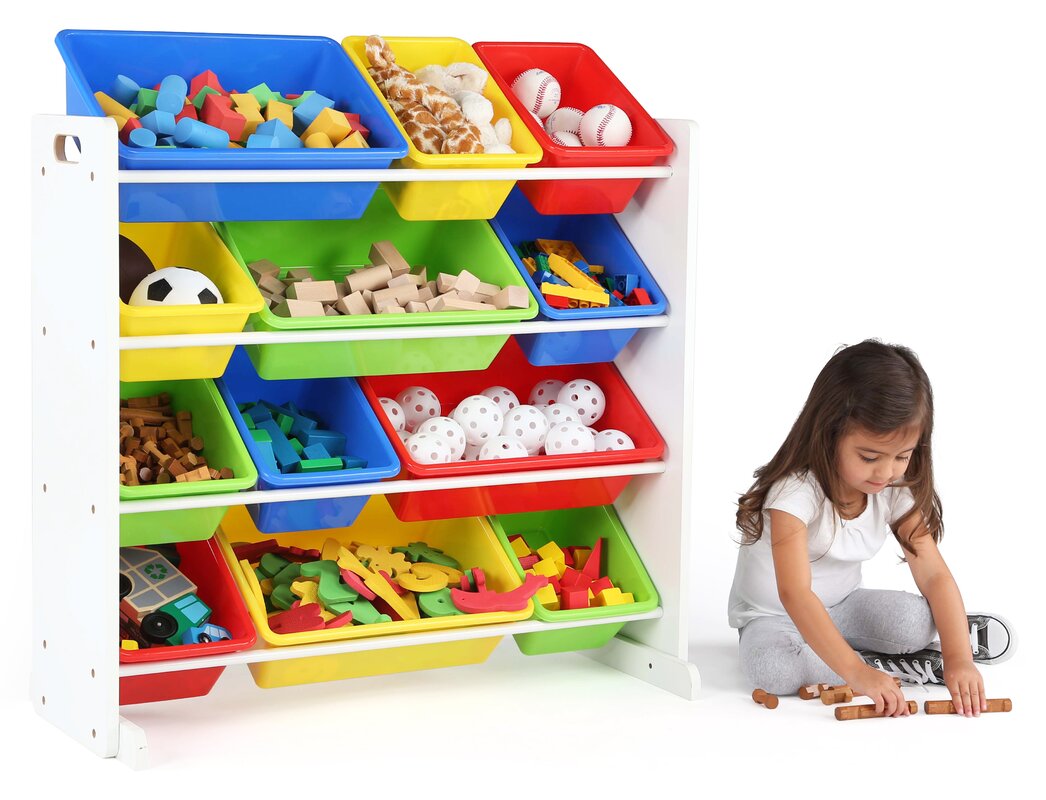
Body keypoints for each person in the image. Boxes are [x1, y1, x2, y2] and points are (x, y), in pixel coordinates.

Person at [728, 340, 1015, 717]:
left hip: (843, 606)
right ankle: (880, 664)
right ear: (830, 434)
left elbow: (933, 573)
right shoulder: (795, 493)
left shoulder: (892, 489)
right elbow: (794, 594)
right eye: (869, 457)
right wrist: (858, 673)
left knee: (915, 621)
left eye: (902, 456)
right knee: (775, 671)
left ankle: (924, 648)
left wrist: (959, 656)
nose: (886, 472)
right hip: (774, 617)